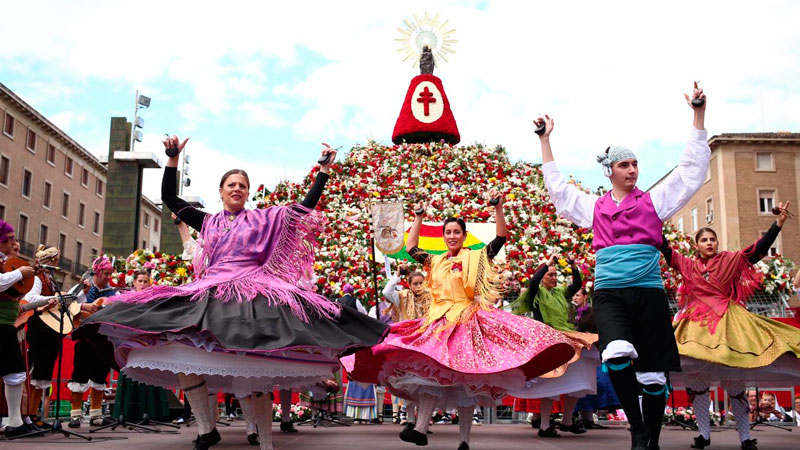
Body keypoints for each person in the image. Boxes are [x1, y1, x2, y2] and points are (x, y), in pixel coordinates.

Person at [76, 136, 388, 450]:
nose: (237, 188)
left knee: (258, 367)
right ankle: (206, 429)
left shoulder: (263, 219)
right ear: (221, 191)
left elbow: (303, 208)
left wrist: (324, 170)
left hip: (254, 290)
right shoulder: (207, 222)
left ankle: (265, 442)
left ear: (247, 192)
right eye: (231, 185)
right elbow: (169, 197)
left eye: (242, 185)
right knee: (181, 349)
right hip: (211, 289)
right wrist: (172, 159)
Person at [535, 82, 710, 450]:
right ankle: (637, 427)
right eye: (624, 165)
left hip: (648, 294)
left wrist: (698, 114)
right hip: (611, 294)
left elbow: (690, 172)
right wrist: (545, 141)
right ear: (609, 171)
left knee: (652, 376)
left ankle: (651, 440)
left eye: (635, 164)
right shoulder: (595, 208)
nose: (632, 170)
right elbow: (559, 192)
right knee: (615, 354)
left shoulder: (655, 201)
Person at [343, 193, 576, 450]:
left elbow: (500, 239)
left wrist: (498, 209)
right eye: (448, 232)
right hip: (438, 323)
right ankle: (420, 429)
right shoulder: (436, 261)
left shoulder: (476, 257)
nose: (452, 236)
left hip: (466, 322)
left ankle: (464, 440)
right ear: (443, 236)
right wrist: (418, 218)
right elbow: (411, 248)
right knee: (429, 374)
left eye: (456, 232)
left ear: (464, 236)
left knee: (467, 383)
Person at [662, 206, 800, 450]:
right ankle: (704, 435)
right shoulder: (687, 265)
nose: (709, 243)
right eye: (704, 240)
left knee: (735, 384)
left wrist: (778, 223)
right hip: (696, 327)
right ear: (696, 245)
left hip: (729, 325)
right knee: (698, 384)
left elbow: (756, 251)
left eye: (712, 239)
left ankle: (745, 438)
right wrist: (649, 220)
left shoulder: (729, 260)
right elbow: (663, 247)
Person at [510, 256, 599, 438]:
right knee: (550, 382)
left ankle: (567, 421)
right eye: (550, 275)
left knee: (578, 375)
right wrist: (548, 264)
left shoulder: (560, 292)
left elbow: (577, 284)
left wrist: (574, 266)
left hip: (566, 336)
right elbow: (533, 282)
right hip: (548, 341)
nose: (553, 278)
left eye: (555, 275)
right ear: (543, 276)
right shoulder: (536, 293)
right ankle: (544, 426)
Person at [381, 261, 432, 429]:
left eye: (421, 283)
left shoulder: (431, 297)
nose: (418, 286)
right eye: (415, 283)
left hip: (425, 345)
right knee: (408, 384)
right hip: (407, 345)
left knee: (424, 384)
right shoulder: (402, 296)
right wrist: (397, 275)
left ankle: (422, 423)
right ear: (409, 285)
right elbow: (386, 292)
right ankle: (410, 420)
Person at [0, 220, 37, 437]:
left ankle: (15, 421)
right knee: (14, 371)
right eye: (10, 239)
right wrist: (20, 273)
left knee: (14, 371)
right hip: (1, 325)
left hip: (5, 325)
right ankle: (14, 421)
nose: (14, 243)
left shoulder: (5, 262)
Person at [22, 245, 62, 428]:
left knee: (43, 373)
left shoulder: (50, 279)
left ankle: (34, 414)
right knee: (36, 371)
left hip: (49, 331)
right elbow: (30, 298)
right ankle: (28, 415)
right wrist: (49, 300)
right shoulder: (38, 279)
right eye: (55, 260)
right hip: (39, 329)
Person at [571, 286, 620, 429]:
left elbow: (599, 331)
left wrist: (589, 336)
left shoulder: (592, 313)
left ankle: (588, 417)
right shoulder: (570, 313)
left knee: (593, 383)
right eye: (573, 295)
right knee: (578, 384)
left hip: (591, 352)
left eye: (577, 295)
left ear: (585, 297)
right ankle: (579, 417)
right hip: (575, 353)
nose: (575, 298)